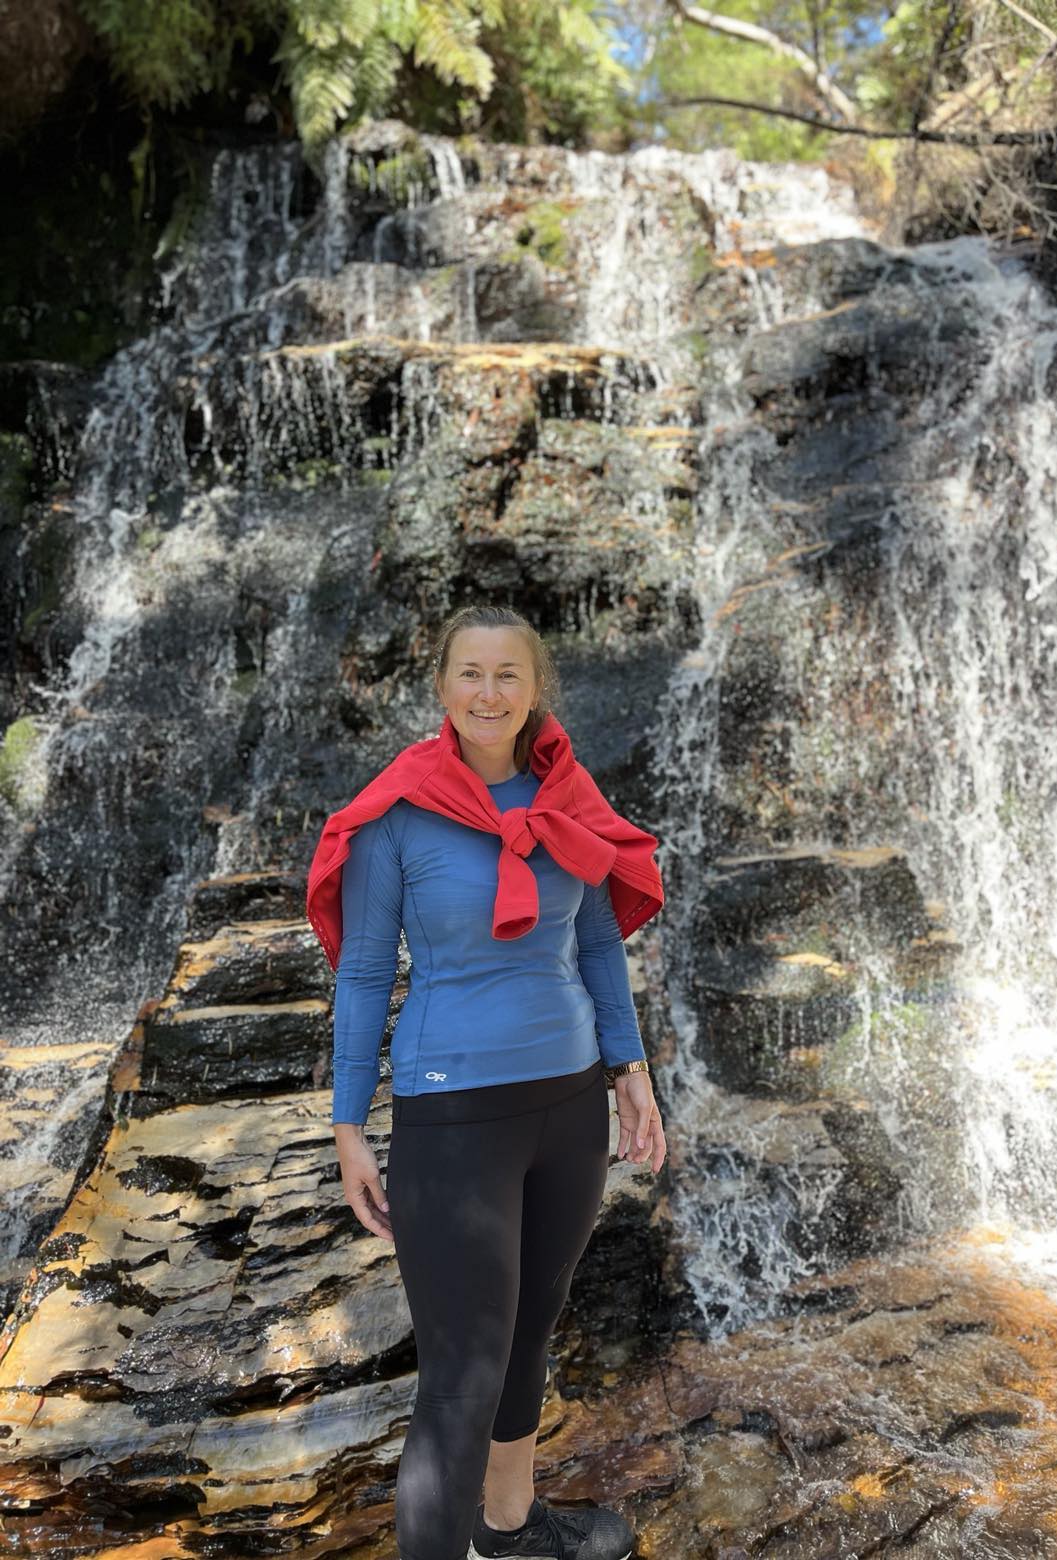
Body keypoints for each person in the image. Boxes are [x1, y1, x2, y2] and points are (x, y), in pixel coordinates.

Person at [315, 603, 669, 1560]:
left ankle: (508, 1531)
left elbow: (596, 941)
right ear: (442, 689)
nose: (488, 691)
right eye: (470, 673)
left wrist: (630, 1071)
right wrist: (350, 1124)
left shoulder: (566, 798)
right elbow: (360, 975)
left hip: (570, 1104)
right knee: (460, 1375)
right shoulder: (395, 815)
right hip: (453, 1115)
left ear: (533, 691)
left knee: (527, 1336)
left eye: (507, 674)